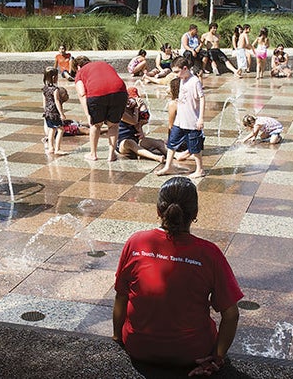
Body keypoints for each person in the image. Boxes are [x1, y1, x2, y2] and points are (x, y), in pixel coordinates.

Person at [113, 177, 243, 376]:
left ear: (158, 210)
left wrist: (117, 337)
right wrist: (218, 356)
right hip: (192, 353)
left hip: (138, 347)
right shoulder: (209, 253)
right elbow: (231, 314)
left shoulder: (136, 242)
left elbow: (121, 296)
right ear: (195, 214)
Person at [157, 57, 206, 178]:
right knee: (171, 144)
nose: (175, 74)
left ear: (185, 68)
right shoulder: (182, 79)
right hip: (180, 120)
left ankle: (200, 169)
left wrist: (200, 118)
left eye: (177, 71)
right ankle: (168, 166)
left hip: (192, 121)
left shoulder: (194, 81)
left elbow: (202, 98)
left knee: (195, 147)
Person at [73, 56, 127, 161]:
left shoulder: (80, 72)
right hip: (119, 91)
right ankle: (111, 155)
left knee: (96, 125)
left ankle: (93, 154)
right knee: (113, 125)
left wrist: (88, 115)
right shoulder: (103, 64)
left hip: (97, 93)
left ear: (78, 66)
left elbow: (82, 93)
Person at [117, 87, 167, 163]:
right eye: (128, 101)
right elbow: (134, 121)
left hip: (136, 140)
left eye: (132, 100)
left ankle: (176, 155)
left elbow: (145, 118)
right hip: (122, 143)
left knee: (159, 142)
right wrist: (136, 108)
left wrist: (143, 106)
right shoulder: (121, 111)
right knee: (131, 143)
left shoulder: (134, 109)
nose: (129, 103)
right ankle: (156, 157)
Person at [42, 67, 68, 155]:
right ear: (54, 78)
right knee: (61, 129)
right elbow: (57, 102)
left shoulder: (44, 89)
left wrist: (45, 111)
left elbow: (44, 102)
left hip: (47, 113)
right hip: (54, 113)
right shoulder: (55, 89)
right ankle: (57, 149)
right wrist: (62, 114)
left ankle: (51, 148)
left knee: (51, 130)